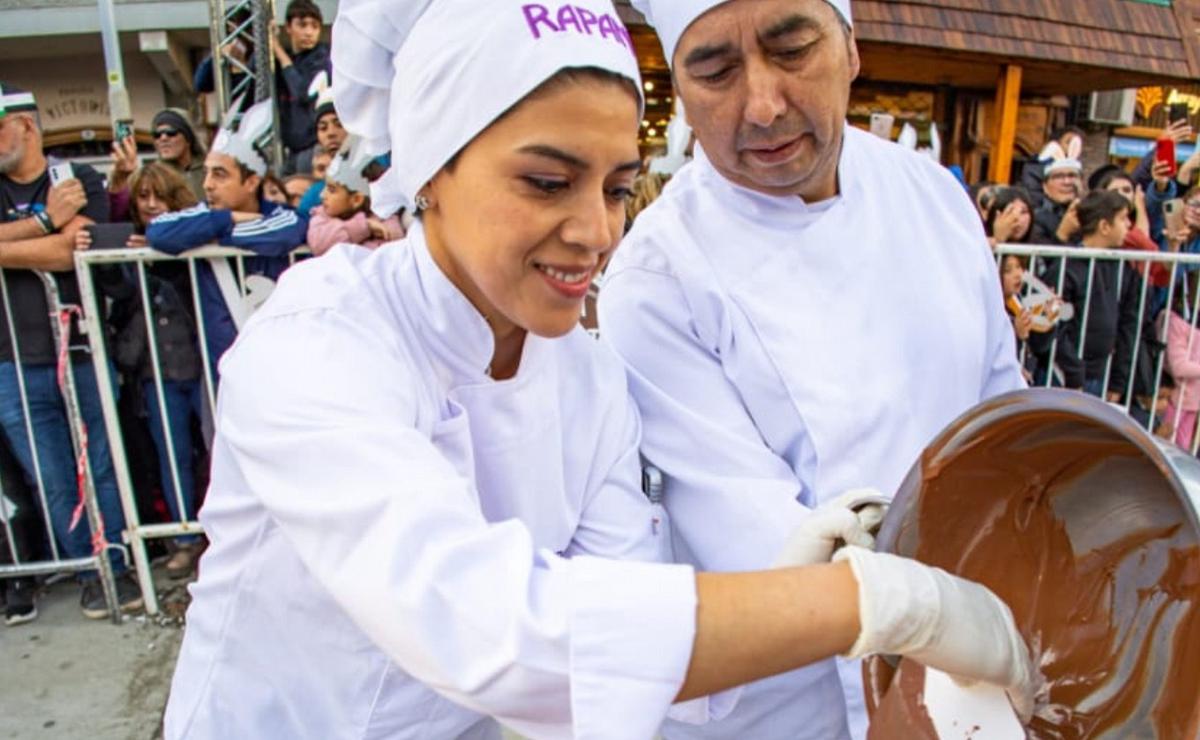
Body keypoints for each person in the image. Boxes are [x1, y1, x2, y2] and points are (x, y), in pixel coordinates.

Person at [162, 2, 1034, 737]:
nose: (597, 232)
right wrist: (876, 603)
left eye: (617, 188)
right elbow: (490, 629)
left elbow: (626, 639)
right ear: (432, 170)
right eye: (548, 182)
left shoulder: (583, 379)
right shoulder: (317, 345)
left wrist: (791, 577)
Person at [597, 2, 1028, 738]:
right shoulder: (659, 277)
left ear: (851, 50)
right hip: (782, 702)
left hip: (972, 659)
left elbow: (1000, 411)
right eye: (715, 71)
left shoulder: (931, 195)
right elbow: (771, 551)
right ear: (680, 91)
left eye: (793, 49)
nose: (762, 106)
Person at [0, 82, 143, 618]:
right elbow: (57, 240)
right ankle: (89, 571)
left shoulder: (75, 177)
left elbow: (74, 249)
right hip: (11, 361)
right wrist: (43, 223)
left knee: (102, 464)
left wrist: (13, 244)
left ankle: (116, 565)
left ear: (25, 125)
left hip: (80, 349)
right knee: (52, 476)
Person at [77, 162, 207, 578]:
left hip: (203, 365)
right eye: (143, 197)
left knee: (217, 451)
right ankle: (184, 539)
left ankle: (225, 534)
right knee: (172, 456)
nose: (151, 205)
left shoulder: (194, 238)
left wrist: (164, 249)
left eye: (159, 196)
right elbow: (116, 291)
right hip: (155, 372)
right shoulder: (128, 246)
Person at [146, 100, 308, 371]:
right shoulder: (206, 214)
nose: (207, 184)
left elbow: (284, 234)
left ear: (251, 182)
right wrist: (226, 220)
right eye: (207, 173)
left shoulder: (284, 216)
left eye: (219, 175)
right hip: (222, 370)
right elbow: (158, 231)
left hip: (282, 363)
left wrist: (211, 236)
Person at [1037, 190, 1141, 395]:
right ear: (1104, 226)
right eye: (1123, 218)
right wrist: (1073, 372)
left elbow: (1128, 324)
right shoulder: (1065, 268)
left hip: (1100, 375)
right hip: (1062, 376)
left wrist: (1118, 381)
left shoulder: (1123, 269)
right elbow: (1051, 327)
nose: (1129, 225)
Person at [306, 136, 404, 256]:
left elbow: (394, 243)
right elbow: (319, 245)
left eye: (331, 190)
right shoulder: (321, 216)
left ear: (356, 199)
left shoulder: (384, 215)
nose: (322, 195)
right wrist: (364, 226)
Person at [270, 0, 332, 172]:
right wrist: (267, 43)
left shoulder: (322, 58)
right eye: (302, 25)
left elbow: (303, 93)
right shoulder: (287, 58)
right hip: (289, 149)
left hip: (314, 147)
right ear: (288, 27)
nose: (309, 32)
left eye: (315, 26)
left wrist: (278, 51)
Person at [109, 109, 207, 206]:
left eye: (171, 133)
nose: (163, 138)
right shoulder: (153, 176)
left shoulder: (208, 169)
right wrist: (120, 177)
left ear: (188, 138)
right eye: (157, 135)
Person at [1030, 157, 1083, 245]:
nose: (1067, 182)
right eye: (1058, 176)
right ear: (1045, 186)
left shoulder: (1092, 216)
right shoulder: (1034, 219)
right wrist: (1063, 234)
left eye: (1072, 175)